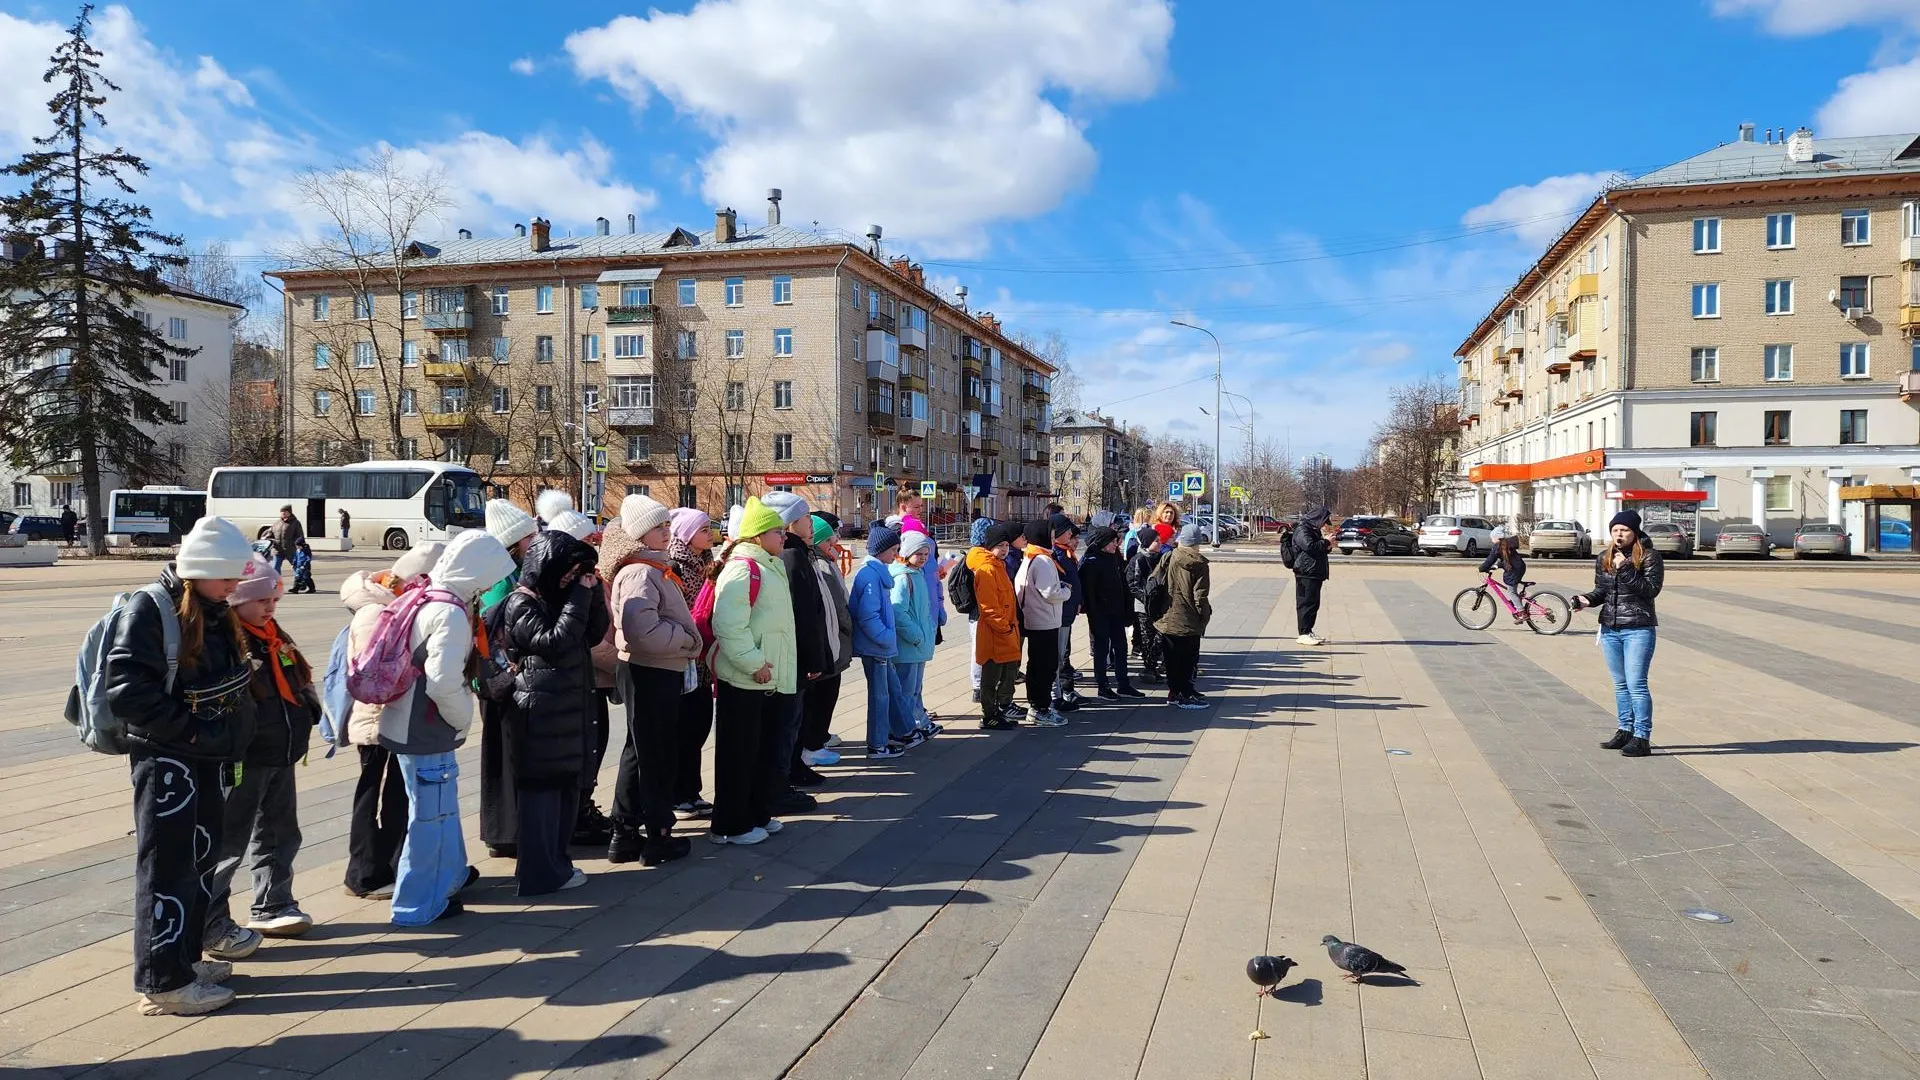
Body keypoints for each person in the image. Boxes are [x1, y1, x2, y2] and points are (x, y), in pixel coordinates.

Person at [106, 515, 258, 1016]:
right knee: (166, 869)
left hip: (203, 759)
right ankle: (163, 979)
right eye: (227, 576)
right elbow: (127, 691)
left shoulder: (211, 607)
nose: (235, 585)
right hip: (168, 760)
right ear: (198, 570)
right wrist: (191, 730)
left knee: (198, 862)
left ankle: (184, 960)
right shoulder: (151, 608)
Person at [378, 530, 516, 925]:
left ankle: (446, 879)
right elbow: (442, 681)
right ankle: (417, 905)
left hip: (408, 723)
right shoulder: (451, 613)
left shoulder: (429, 596)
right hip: (427, 729)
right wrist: (462, 720)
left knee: (433, 812)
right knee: (430, 819)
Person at [203, 554, 317, 957]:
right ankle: (210, 920)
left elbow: (298, 679)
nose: (271, 606)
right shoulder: (231, 641)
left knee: (281, 831)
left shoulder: (273, 635)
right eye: (263, 599)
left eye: (275, 598)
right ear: (236, 598)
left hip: (281, 752)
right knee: (229, 841)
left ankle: (273, 903)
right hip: (245, 758)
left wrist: (311, 709)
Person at [498, 529, 605, 894]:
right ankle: (539, 873)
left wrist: (594, 592)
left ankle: (556, 865)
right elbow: (554, 643)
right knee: (542, 799)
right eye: (567, 572)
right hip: (539, 713)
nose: (569, 580)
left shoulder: (562, 598)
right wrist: (578, 595)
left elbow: (591, 634)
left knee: (564, 792)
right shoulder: (521, 603)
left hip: (566, 708)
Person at [337, 542, 444, 901]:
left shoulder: (390, 605)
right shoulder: (376, 611)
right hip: (377, 720)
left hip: (389, 716)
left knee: (392, 792)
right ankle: (364, 872)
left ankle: (389, 863)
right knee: (375, 793)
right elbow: (373, 675)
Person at [605, 495, 701, 866]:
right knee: (655, 754)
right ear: (642, 533)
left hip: (652, 669)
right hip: (651, 670)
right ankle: (658, 836)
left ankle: (625, 832)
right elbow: (642, 631)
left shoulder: (651, 568)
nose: (667, 531)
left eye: (666, 525)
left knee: (640, 750)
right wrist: (686, 639)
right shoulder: (640, 572)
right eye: (659, 527)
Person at [708, 498, 798, 845]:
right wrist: (754, 664)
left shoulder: (767, 563)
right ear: (759, 535)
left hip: (767, 676)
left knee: (762, 750)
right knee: (738, 754)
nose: (784, 537)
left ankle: (757, 812)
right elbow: (729, 626)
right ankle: (730, 825)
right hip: (747, 677)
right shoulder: (744, 567)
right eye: (778, 532)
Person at [1572, 511, 1665, 758]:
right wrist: (1586, 600)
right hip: (1610, 629)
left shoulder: (1649, 557)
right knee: (1620, 684)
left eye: (1624, 530)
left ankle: (1642, 736)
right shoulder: (1604, 557)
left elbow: (1650, 591)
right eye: (1615, 530)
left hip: (1638, 628)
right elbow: (1601, 591)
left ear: (1634, 532)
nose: (1619, 535)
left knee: (1637, 685)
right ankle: (1625, 729)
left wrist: (1625, 568)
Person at [478, 498, 538, 859]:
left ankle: (506, 829)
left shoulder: (509, 572)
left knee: (507, 752)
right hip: (500, 681)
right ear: (514, 543)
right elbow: (494, 627)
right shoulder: (501, 578)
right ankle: (504, 832)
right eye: (530, 537)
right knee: (503, 754)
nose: (535, 542)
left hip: (502, 678)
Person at [760, 492, 825, 815]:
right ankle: (780, 784)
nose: (810, 523)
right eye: (804, 517)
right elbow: (801, 614)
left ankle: (788, 775)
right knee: (787, 724)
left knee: (793, 721)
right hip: (791, 657)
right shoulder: (792, 557)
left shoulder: (798, 553)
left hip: (794, 655)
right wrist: (814, 657)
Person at [665, 508, 717, 819]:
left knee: (699, 725)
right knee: (682, 729)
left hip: (703, 659)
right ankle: (677, 793)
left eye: (709, 528)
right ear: (686, 534)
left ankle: (691, 791)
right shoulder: (676, 566)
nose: (710, 533)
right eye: (703, 529)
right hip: (683, 658)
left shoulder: (707, 563)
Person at [798, 513, 854, 776]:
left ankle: (816, 739)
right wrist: (847, 628)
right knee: (821, 696)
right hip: (831, 641)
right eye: (830, 540)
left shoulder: (825, 562)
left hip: (834, 639)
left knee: (827, 694)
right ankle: (812, 743)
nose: (836, 544)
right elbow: (835, 606)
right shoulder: (820, 566)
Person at [851, 522, 911, 757]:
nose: (896, 554)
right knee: (880, 696)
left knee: (891, 691)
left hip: (880, 646)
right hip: (875, 647)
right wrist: (886, 638)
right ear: (880, 550)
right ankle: (877, 744)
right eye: (893, 549)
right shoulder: (870, 576)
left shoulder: (876, 573)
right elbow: (868, 616)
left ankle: (900, 731)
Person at [1015, 519, 1070, 728]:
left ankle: (1036, 706)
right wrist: (1067, 591)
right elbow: (1051, 593)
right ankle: (1041, 708)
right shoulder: (1044, 561)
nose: (1054, 539)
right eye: (1052, 535)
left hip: (1034, 618)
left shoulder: (1030, 557)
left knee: (1036, 665)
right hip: (1045, 619)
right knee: (1046, 667)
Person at [968, 524, 1022, 731]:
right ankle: (989, 715)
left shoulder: (999, 566)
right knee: (991, 677)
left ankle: (998, 711)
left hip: (1007, 630)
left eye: (1007, 545)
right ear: (990, 546)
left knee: (1006, 674)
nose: (1005, 549)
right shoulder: (987, 569)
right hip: (995, 633)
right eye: (1000, 545)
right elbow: (988, 606)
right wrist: (1003, 627)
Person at [1080, 525, 1143, 700]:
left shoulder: (1114, 558)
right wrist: (1093, 613)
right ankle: (1103, 686)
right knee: (1101, 650)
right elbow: (1089, 592)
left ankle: (1124, 684)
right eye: (1113, 541)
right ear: (1103, 542)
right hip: (1100, 614)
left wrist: (1126, 610)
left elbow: (1122, 584)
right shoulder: (1091, 561)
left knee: (1121, 648)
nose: (1117, 544)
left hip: (1116, 612)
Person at [1156, 523, 1213, 709]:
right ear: (1197, 543)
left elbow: (1154, 582)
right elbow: (1200, 596)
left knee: (1172, 659)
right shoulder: (1199, 564)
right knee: (1188, 659)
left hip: (1166, 616)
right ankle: (1185, 694)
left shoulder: (1168, 556)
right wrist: (1204, 617)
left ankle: (1175, 693)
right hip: (1188, 619)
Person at [890, 531, 938, 741]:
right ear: (907, 553)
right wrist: (917, 636)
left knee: (915, 689)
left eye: (927, 554)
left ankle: (916, 723)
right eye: (919, 554)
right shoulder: (903, 577)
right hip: (910, 645)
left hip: (918, 645)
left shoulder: (916, 575)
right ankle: (904, 729)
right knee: (906, 691)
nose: (924, 558)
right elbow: (898, 612)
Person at [1127, 523, 1173, 682]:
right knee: (1147, 639)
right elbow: (1133, 584)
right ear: (1147, 543)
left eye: (1160, 541)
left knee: (1160, 636)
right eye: (1157, 541)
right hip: (1143, 607)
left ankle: (1151, 666)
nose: (1160, 544)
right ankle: (1149, 670)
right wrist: (1147, 599)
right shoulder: (1138, 559)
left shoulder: (1160, 558)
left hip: (1159, 606)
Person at [1049, 515, 1084, 713]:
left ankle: (1061, 692)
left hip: (1067, 612)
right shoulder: (1056, 556)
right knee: (1057, 656)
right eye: (1068, 532)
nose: (1072, 535)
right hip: (1059, 614)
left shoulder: (1067, 553)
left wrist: (1078, 601)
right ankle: (1056, 696)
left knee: (1062, 655)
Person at [1289, 507, 1334, 646]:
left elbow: (1317, 549)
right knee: (1305, 603)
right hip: (1306, 572)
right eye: (1324, 521)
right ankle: (1303, 633)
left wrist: (1328, 545)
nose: (1324, 525)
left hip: (1314, 572)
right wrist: (1325, 542)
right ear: (1317, 519)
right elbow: (1309, 546)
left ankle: (1308, 631)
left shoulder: (1313, 530)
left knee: (1313, 604)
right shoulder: (1303, 530)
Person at [965, 516, 994, 702]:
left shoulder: (976, 554)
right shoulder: (978, 557)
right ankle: (977, 687)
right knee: (979, 649)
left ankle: (981, 684)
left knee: (981, 648)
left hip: (978, 610)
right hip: (979, 610)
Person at [1480, 527, 1528, 612]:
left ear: (1497, 537)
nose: (1491, 540)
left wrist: (1482, 568)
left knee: (1511, 592)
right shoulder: (1506, 544)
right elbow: (1507, 559)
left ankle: (1521, 612)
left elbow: (1490, 559)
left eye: (1492, 538)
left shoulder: (1497, 547)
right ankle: (1517, 604)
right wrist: (1498, 566)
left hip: (1514, 571)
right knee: (1512, 589)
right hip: (1519, 568)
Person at [269, 505, 305, 575]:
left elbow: (300, 536)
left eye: (285, 511)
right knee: (275, 568)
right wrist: (267, 539)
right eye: (282, 512)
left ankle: (299, 583)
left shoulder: (295, 523)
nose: (283, 513)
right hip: (278, 550)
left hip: (291, 550)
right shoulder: (277, 523)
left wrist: (295, 544)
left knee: (297, 567)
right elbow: (269, 533)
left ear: (289, 512)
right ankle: (277, 584)